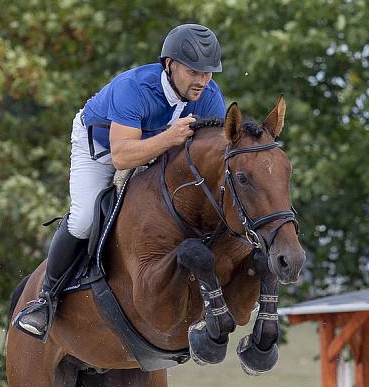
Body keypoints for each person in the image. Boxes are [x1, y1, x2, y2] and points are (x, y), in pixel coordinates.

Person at [13, 23, 226, 342]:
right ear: (169, 65)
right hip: (101, 149)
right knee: (85, 219)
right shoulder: (134, 88)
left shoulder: (210, 96)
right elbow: (123, 157)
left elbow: (211, 154)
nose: (202, 81)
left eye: (208, 73)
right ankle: (45, 300)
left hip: (161, 152)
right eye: (194, 72)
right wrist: (170, 138)